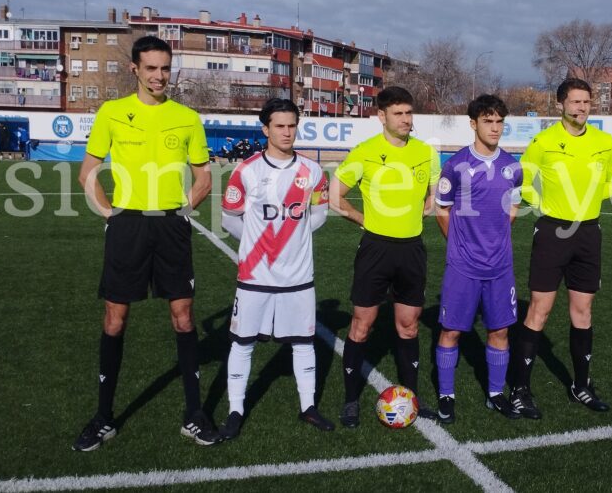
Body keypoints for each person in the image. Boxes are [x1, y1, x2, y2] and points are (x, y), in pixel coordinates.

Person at [72, 35, 219, 452]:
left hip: (171, 227)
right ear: (134, 69)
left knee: (184, 318)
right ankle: (103, 418)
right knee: (115, 319)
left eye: (165, 68)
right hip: (128, 227)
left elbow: (204, 177)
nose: (159, 76)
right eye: (151, 68)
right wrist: (111, 215)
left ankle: (194, 415)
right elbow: (87, 173)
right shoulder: (112, 112)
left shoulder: (187, 118)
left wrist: (182, 211)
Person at [219, 98, 335, 439]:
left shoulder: (313, 172)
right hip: (255, 275)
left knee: (303, 342)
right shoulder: (247, 170)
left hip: (298, 276)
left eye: (292, 125)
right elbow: (229, 219)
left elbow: (319, 214)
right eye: (279, 126)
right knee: (243, 343)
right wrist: (257, 247)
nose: (287, 132)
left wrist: (294, 239)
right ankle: (235, 410)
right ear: (265, 129)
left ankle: (308, 407)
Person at [511, 77, 612, 418]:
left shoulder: (604, 142)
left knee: (583, 311)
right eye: (575, 102)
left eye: (586, 102)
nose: (581, 108)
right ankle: (520, 389)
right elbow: (521, 179)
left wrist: (591, 196)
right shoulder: (544, 141)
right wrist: (541, 203)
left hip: (588, 233)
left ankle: (581, 385)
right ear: (560, 104)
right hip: (552, 232)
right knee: (540, 310)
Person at [330, 86, 440, 428]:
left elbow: (434, 196)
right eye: (398, 113)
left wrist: (421, 211)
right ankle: (351, 401)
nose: (406, 119)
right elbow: (334, 196)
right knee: (361, 325)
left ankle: (412, 398)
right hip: (375, 249)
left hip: (412, 249)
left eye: (409, 113)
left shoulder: (426, 152)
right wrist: (363, 220)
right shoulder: (365, 152)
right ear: (381, 116)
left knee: (408, 326)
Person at [434, 95, 523, 424]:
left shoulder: (513, 167)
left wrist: (495, 237)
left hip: (500, 266)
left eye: (499, 121)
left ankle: (495, 393)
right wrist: (459, 244)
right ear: (473, 124)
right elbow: (442, 210)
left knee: (500, 331)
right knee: (451, 331)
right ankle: (446, 395)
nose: (495, 127)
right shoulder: (456, 165)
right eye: (488, 121)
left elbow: (513, 207)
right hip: (463, 266)